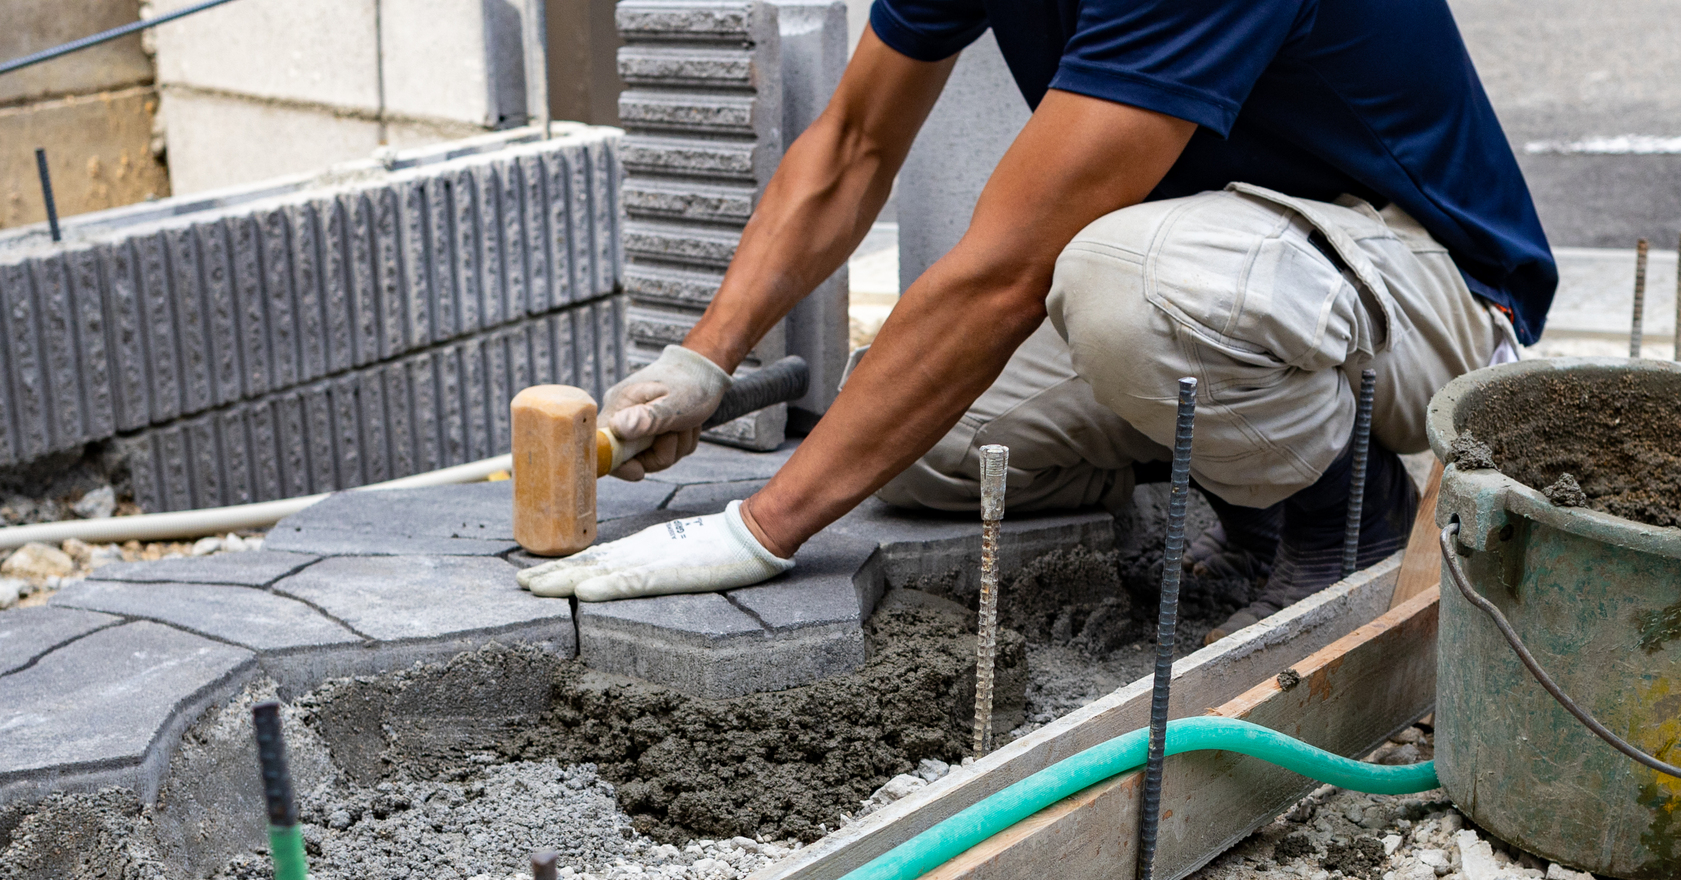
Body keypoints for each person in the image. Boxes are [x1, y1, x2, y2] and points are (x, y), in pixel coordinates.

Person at [519, 0, 1557, 638]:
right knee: (925, 448)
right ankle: (1246, 471)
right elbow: (851, 145)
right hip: (1239, 279)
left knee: (1119, 283)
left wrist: (757, 531)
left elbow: (1008, 274)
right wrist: (703, 359)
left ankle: (1344, 523)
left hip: (1428, 291)